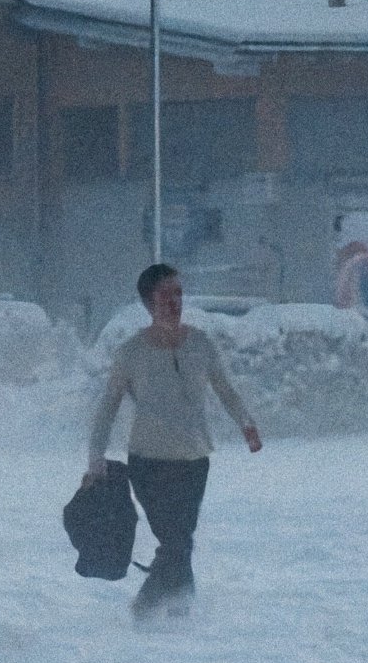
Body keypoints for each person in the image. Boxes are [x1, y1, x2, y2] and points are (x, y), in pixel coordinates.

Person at [82, 262, 262, 618]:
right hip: (148, 463)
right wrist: (95, 455)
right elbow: (107, 407)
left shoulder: (201, 344)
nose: (175, 301)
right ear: (149, 302)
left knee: (179, 539)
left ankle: (178, 606)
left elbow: (225, 389)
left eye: (179, 293)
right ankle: (150, 607)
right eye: (166, 294)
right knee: (175, 539)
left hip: (194, 461)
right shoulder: (131, 353)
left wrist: (247, 424)